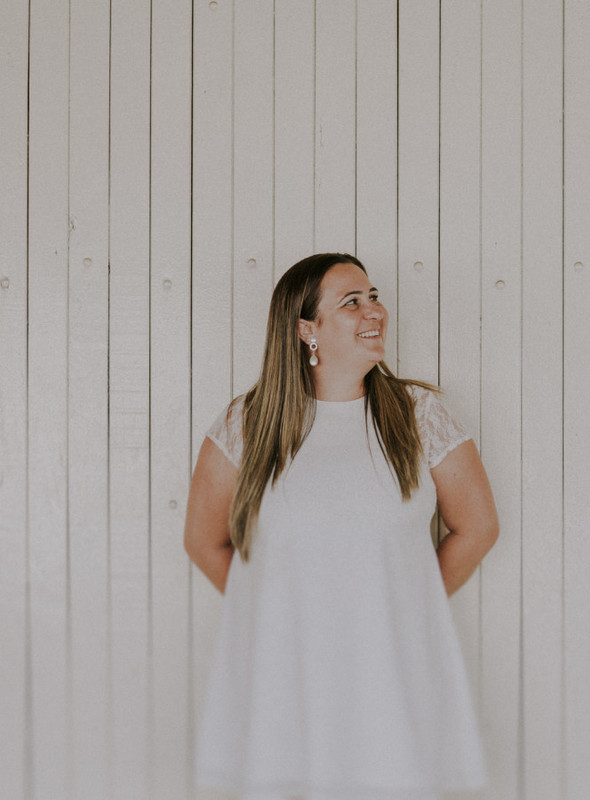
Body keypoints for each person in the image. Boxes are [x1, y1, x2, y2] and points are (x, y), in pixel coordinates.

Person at [184, 253, 499, 800]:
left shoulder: (419, 415)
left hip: (391, 669)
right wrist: (272, 616)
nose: (373, 310)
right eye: (352, 302)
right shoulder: (246, 424)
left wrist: (403, 605)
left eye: (373, 296)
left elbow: (477, 528)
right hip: (285, 672)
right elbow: (204, 540)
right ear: (308, 329)